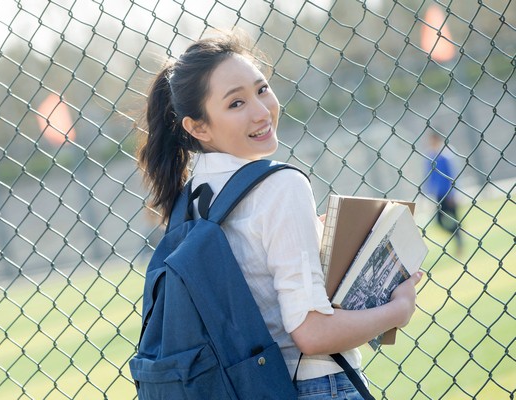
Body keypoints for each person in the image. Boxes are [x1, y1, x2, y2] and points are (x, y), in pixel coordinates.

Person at [137, 30, 423, 399]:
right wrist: (398, 311)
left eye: (261, 89)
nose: (261, 111)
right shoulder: (279, 185)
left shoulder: (191, 197)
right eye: (235, 104)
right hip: (314, 386)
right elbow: (312, 333)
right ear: (197, 127)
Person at [424, 131, 463, 251]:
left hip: (449, 193)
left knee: (455, 218)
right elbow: (430, 177)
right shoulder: (431, 157)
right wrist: (428, 195)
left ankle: (459, 242)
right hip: (439, 194)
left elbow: (453, 175)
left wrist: (453, 194)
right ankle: (457, 236)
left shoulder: (446, 155)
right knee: (439, 221)